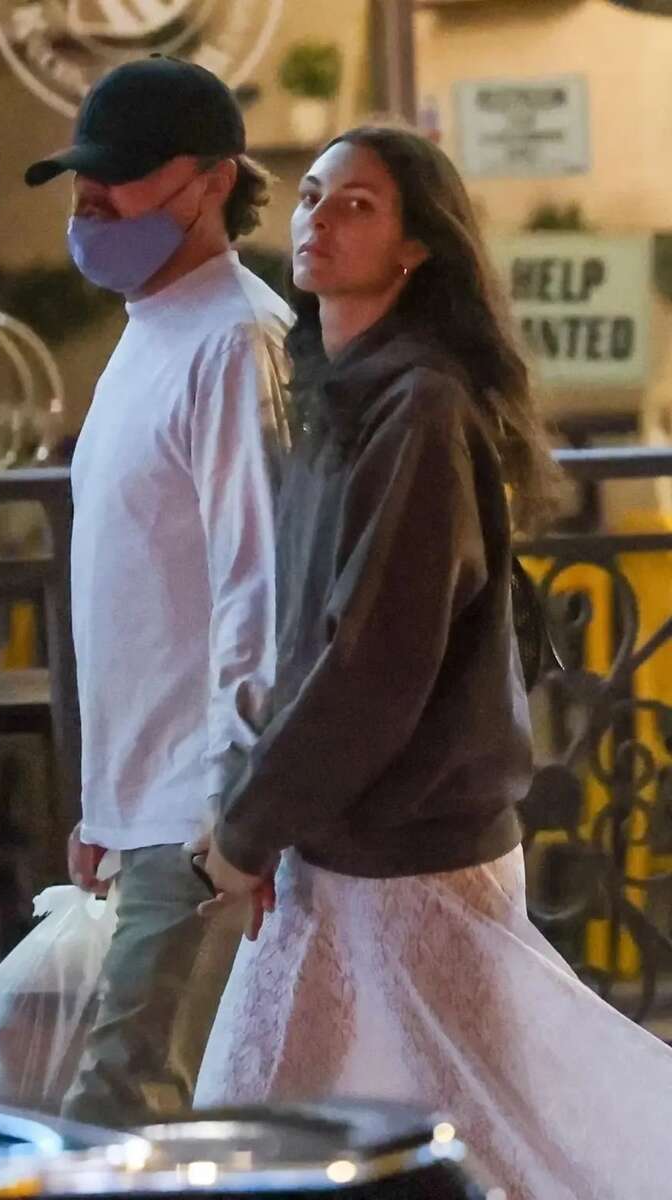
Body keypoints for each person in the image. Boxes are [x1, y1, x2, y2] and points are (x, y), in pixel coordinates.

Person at [192, 125, 672, 1198]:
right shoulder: (345, 394)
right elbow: (312, 646)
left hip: (407, 859)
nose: (317, 218)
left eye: (356, 204)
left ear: (416, 248)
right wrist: (258, 814)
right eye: (310, 196)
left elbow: (374, 663)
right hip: (343, 848)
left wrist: (246, 828)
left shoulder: (418, 407)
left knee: (467, 1144)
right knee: (311, 1132)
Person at [24, 56, 290, 1128]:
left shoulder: (234, 339)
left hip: (197, 816)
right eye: (82, 175)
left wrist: (232, 811)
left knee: (122, 1113)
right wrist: (104, 804)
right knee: (151, 1114)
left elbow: (256, 588)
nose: (91, 198)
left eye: (121, 174)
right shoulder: (152, 330)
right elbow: (138, 599)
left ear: (212, 181)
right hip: (152, 813)